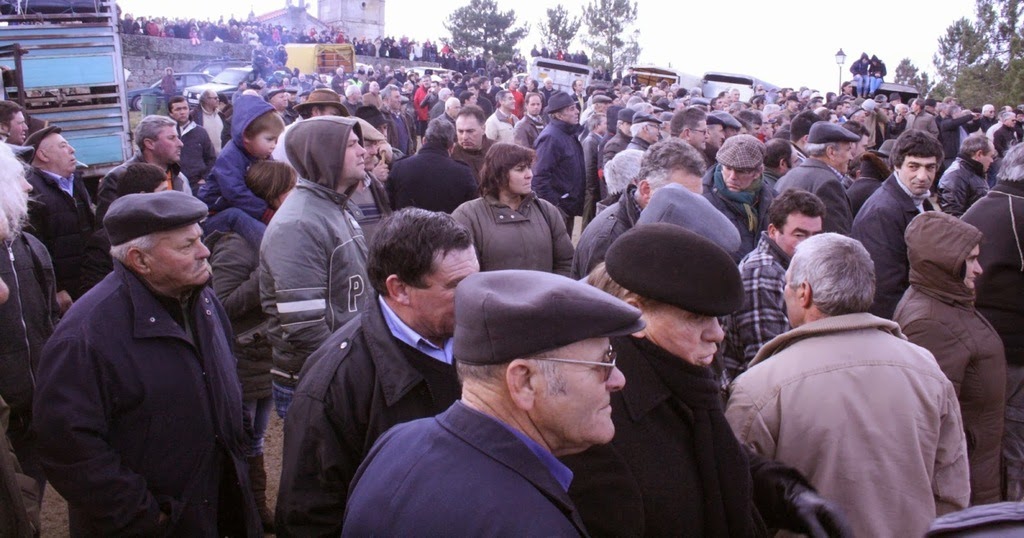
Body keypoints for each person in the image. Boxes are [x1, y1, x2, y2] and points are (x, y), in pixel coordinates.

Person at [563, 224, 850, 537]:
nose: (717, 333)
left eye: (715, 317)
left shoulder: (687, 382)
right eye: (696, 318)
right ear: (635, 316)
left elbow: (721, 460)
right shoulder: (598, 418)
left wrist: (788, 494)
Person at [342, 269, 645, 535]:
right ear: (524, 382)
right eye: (603, 363)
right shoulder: (532, 523)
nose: (619, 380)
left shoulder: (397, 443)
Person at [32, 191, 262, 536]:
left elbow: (227, 377)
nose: (204, 251)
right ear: (140, 260)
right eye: (186, 246)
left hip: (221, 507)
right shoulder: (83, 337)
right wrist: (145, 515)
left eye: (200, 238)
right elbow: (69, 448)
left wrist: (239, 452)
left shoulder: (203, 301)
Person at [726, 233, 970, 537]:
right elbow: (951, 488)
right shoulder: (926, 369)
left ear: (804, 293)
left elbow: (734, 500)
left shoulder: (760, 386)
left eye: (787, 285)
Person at [276, 209, 477, 536]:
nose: (474, 295)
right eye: (456, 285)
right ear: (399, 289)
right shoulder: (335, 382)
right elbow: (308, 515)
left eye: (475, 279)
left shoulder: (485, 337)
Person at [206, 160, 296, 532]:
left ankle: (257, 512)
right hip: (243, 357)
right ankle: (245, 516)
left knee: (256, 440)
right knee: (240, 441)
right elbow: (221, 304)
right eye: (292, 190)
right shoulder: (236, 245)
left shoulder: (273, 236)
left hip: (263, 355)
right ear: (274, 197)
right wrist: (268, 270)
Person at [260, 116, 369, 419]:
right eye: (352, 145)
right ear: (325, 154)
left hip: (341, 369)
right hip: (320, 381)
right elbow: (305, 327)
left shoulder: (335, 207)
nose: (364, 151)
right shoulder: (299, 224)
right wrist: (352, 372)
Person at [893, 211, 1006, 505]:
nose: (979, 269)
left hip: (978, 468)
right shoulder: (930, 322)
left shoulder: (948, 301)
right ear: (943, 263)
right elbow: (931, 422)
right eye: (969, 259)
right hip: (966, 484)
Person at [962, 143, 1024, 501]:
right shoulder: (1017, 209)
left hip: (979, 342)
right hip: (1013, 352)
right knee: (1015, 444)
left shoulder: (981, 205)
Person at [0, 142, 58, 511]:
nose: (28, 188)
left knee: (28, 504)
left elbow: (49, 319)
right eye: (19, 179)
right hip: (3, 412)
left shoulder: (31, 247)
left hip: (33, 407)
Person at [722, 189, 825, 379]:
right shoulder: (762, 273)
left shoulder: (794, 266)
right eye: (800, 235)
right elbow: (765, 359)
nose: (810, 245)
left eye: (816, 236)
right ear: (773, 231)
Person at [852, 129, 943, 319]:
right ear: (896, 166)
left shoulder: (919, 199)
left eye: (930, 168)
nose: (922, 176)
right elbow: (885, 289)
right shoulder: (882, 212)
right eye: (914, 166)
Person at [453, 143, 574, 275]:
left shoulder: (547, 211)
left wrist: (555, 293)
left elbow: (566, 263)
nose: (530, 175)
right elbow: (463, 273)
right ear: (498, 174)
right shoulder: (468, 215)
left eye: (529, 167)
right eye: (520, 169)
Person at [199, 94, 286, 250]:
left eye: (276, 140)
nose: (274, 145)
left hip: (245, 209)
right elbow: (235, 192)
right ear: (247, 135)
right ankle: (274, 249)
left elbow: (275, 180)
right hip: (213, 216)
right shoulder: (230, 157)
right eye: (269, 139)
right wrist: (265, 211)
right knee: (235, 215)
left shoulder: (261, 154)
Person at [23, 126, 95, 309]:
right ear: (43, 155)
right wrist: (56, 288)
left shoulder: (76, 181)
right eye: (63, 146)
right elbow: (35, 245)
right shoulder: (32, 190)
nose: (72, 150)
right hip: (63, 295)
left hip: (88, 282)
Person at [79, 163, 169, 296]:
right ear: (142, 196)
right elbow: (95, 293)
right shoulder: (104, 242)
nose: (169, 198)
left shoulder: (169, 231)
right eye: (163, 192)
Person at [95, 115, 190, 222]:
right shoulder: (119, 177)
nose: (180, 144)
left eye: (178, 137)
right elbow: (108, 229)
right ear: (149, 143)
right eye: (171, 138)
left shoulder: (180, 178)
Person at [775, 122, 860, 234]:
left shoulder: (787, 176)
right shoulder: (829, 184)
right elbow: (836, 240)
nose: (851, 157)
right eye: (848, 150)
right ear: (831, 152)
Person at [701, 134, 774, 261]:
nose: (732, 177)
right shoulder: (703, 198)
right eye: (728, 168)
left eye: (741, 171)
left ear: (758, 172)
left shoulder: (772, 198)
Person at [386, 117, 477, 213]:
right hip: (447, 226)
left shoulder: (399, 167)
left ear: (424, 141)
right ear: (451, 147)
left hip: (407, 226)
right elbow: (471, 209)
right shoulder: (463, 173)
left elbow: (388, 205)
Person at [533, 92, 586, 234]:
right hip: (559, 210)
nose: (577, 112)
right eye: (571, 109)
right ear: (558, 115)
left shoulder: (568, 134)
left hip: (568, 207)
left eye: (575, 107)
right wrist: (555, 207)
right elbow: (539, 177)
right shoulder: (550, 138)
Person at [938, 133, 996, 217]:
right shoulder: (956, 176)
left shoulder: (973, 171)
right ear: (979, 154)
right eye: (991, 156)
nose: (992, 161)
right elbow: (952, 216)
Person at [451, 104, 493, 182]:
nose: (464, 137)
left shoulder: (497, 152)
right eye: (460, 131)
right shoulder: (451, 155)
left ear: (483, 129)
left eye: (470, 131)